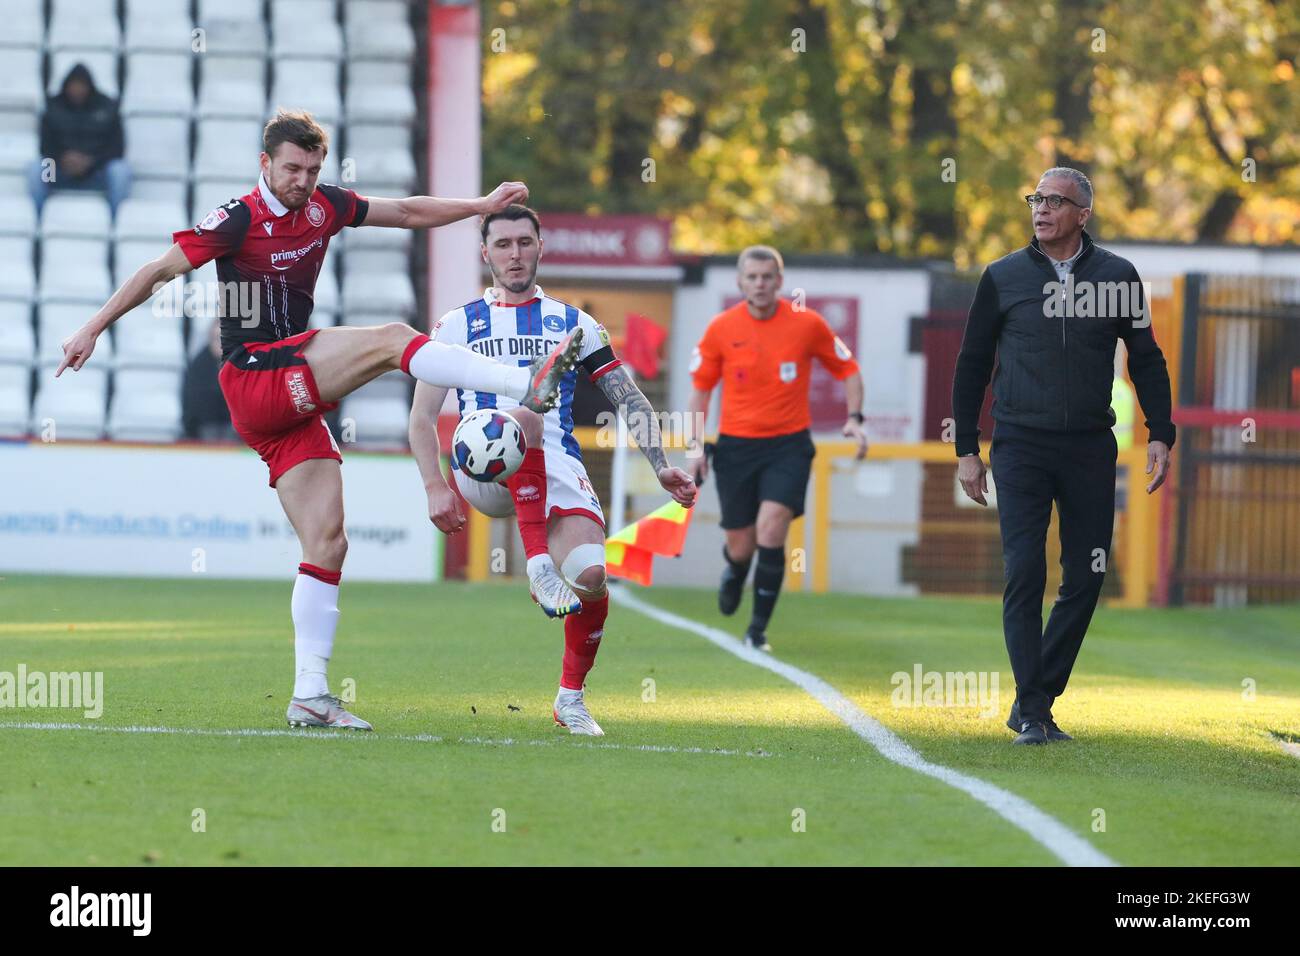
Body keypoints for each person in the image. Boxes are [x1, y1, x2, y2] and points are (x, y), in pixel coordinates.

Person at [55, 110, 583, 732]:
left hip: (286, 403)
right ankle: (525, 383)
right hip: (255, 375)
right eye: (291, 168)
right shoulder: (237, 218)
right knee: (392, 339)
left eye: (311, 170)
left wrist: (480, 205)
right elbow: (156, 272)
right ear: (265, 165)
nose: (302, 180)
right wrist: (92, 327)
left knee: (328, 543)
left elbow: (408, 213)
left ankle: (310, 695)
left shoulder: (324, 208)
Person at [408, 204, 697, 736]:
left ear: (540, 247)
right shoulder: (457, 324)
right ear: (485, 253)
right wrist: (434, 486)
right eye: (503, 244)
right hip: (480, 463)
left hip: (556, 464)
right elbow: (422, 417)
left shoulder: (573, 323)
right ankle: (537, 565)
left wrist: (662, 465)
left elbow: (627, 396)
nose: (514, 253)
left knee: (591, 575)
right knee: (528, 410)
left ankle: (570, 698)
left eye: (524, 242)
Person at [951, 166, 1175, 745]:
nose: (1041, 209)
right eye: (1036, 199)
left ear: (1083, 214)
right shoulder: (1002, 276)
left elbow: (1146, 358)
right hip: (1020, 445)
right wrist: (966, 451)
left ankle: (1036, 697)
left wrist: (1161, 431)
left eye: (1055, 201)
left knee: (1088, 575)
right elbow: (972, 364)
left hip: (1089, 451)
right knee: (1024, 570)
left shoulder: (1119, 277)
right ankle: (1033, 714)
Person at [687, 246, 867, 652]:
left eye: (768, 277)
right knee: (742, 544)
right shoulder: (721, 328)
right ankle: (734, 570)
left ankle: (757, 631)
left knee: (772, 528)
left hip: (788, 446)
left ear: (779, 281)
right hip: (734, 447)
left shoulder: (807, 324)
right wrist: (695, 447)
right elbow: (700, 392)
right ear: (740, 282)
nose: (760, 284)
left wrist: (856, 418)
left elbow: (849, 369)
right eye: (752, 277)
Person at [28, 63, 131, 214]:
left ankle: (116, 221)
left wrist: (91, 161)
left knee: (120, 171)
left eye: (81, 85)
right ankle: (38, 217)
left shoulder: (108, 108)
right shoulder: (53, 107)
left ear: (89, 86)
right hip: (60, 172)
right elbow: (45, 147)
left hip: (97, 172)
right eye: (73, 85)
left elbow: (117, 148)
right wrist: (63, 159)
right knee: (37, 168)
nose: (77, 90)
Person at [181, 318, 237, 441]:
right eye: (217, 339)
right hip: (205, 431)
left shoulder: (242, 363)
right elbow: (194, 409)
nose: (221, 343)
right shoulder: (198, 365)